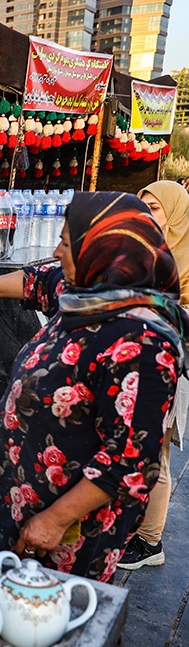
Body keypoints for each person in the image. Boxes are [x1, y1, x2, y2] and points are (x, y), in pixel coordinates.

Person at [0, 191, 188, 582]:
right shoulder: (86, 296)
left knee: (44, 624)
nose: (55, 250)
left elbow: (131, 463)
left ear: (103, 250)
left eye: (66, 243)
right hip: (17, 505)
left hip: (66, 535)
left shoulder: (141, 343)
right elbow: (36, 282)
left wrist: (53, 520)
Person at [117, 181, 189, 569]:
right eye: (141, 205)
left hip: (168, 369)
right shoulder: (142, 251)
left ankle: (150, 542)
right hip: (132, 364)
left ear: (176, 215)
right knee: (133, 447)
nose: (146, 214)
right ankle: (135, 525)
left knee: (155, 453)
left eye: (155, 208)